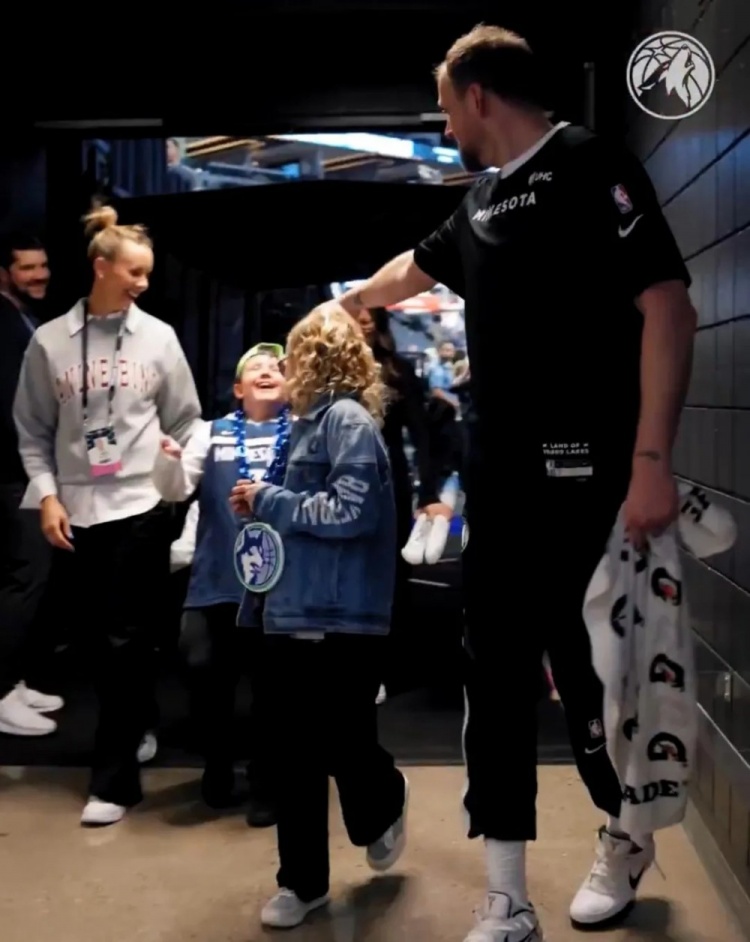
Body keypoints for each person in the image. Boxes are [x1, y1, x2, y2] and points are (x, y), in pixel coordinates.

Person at [319, 25, 697, 942]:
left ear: (478, 95)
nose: (444, 123)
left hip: (593, 473)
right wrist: (350, 301)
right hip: (499, 481)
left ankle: (624, 834)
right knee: (491, 675)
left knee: (591, 672)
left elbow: (669, 308)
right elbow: (413, 267)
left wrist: (651, 462)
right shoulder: (481, 201)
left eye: (446, 106)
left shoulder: (590, 162)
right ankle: (506, 895)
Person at [13, 205, 203, 826]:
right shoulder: (49, 342)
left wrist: (176, 478)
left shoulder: (159, 338)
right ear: (101, 267)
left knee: (125, 639)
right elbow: (32, 430)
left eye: (148, 273)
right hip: (74, 509)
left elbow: (187, 419)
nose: (144, 283)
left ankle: (114, 782)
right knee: (99, 643)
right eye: (134, 272)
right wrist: (46, 494)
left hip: (141, 505)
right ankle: (138, 720)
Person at [230, 305, 409, 930]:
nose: (281, 367)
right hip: (290, 610)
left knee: (344, 743)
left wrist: (271, 500)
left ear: (314, 359)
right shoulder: (306, 425)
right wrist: (261, 506)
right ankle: (301, 883)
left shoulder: (347, 421)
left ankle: (383, 800)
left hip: (341, 617)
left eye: (292, 355)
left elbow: (351, 513)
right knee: (294, 755)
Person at [153, 342, 289, 826]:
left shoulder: (304, 431)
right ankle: (216, 767)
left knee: (273, 688)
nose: (267, 371)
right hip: (216, 578)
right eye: (256, 367)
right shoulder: (209, 433)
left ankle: (267, 781)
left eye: (276, 368)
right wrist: (167, 460)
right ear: (237, 388)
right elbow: (175, 488)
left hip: (281, 584)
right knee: (204, 669)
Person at [355, 306, 447, 701]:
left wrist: (428, 492)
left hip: (386, 476)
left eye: (369, 314)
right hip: (337, 474)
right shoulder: (330, 367)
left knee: (389, 572)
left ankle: (385, 666)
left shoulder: (396, 369)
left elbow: (421, 433)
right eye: (356, 313)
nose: (363, 320)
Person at [0, 233, 64, 735]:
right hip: (12, 471)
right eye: (27, 268)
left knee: (27, 577)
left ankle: (14, 680)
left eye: (43, 265)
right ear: (4, 273)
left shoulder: (22, 319)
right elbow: (11, 407)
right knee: (25, 577)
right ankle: (1, 692)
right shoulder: (3, 324)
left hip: (25, 469)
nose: (40, 275)